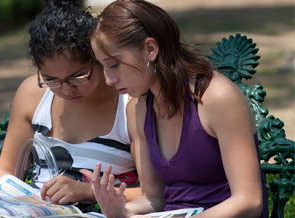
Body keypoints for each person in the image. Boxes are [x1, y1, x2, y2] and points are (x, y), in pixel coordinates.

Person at [80, 0, 268, 217]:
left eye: (114, 64)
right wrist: (120, 211)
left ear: (150, 49)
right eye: (103, 67)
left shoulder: (216, 97)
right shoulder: (138, 109)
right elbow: (154, 198)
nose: (109, 79)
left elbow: (249, 201)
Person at [0, 0, 140, 208]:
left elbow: (154, 193)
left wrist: (89, 192)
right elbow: (6, 172)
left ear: (98, 59)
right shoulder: (32, 94)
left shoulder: (128, 105)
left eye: (78, 77)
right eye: (51, 79)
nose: (65, 89)